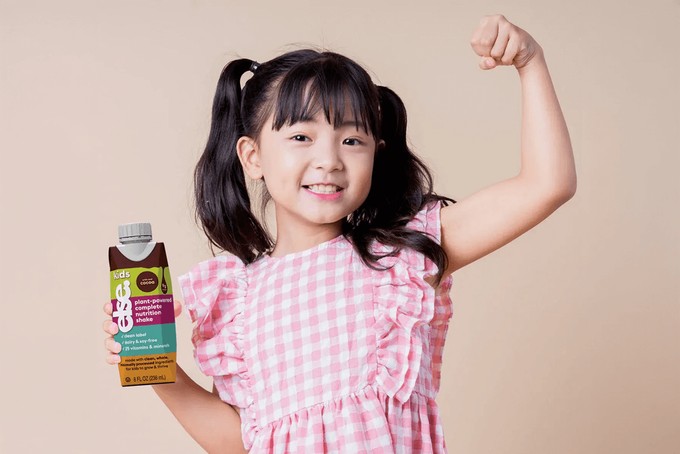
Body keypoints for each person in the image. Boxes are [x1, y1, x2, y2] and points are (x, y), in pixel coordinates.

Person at [103, 14, 576, 454]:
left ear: (376, 152)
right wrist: (155, 368)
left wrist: (530, 63)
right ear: (253, 157)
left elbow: (547, 184)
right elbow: (239, 443)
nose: (329, 159)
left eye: (352, 139)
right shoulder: (237, 301)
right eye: (301, 137)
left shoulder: (402, 256)